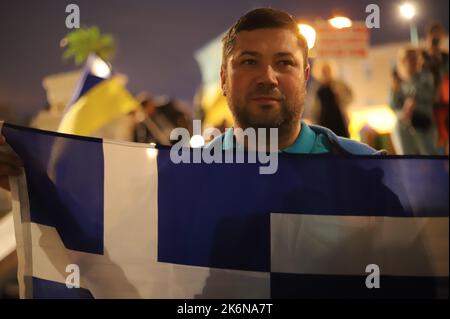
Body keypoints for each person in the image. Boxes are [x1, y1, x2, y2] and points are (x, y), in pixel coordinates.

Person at [208, 8, 381, 155]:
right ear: (224, 79)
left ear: (305, 77)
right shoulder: (190, 175)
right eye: (249, 62)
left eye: (284, 63)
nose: (268, 78)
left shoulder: (364, 169)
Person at [390, 47, 438, 155]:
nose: (413, 62)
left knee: (428, 154)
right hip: (405, 126)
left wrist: (411, 80)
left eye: (415, 58)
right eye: (409, 59)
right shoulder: (397, 83)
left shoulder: (425, 77)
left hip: (423, 123)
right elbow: (393, 105)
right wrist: (403, 112)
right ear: (402, 61)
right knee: (406, 156)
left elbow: (430, 96)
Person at [421, 23, 449, 151]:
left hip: (444, 102)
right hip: (428, 104)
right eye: (434, 37)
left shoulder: (445, 57)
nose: (436, 40)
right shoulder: (422, 57)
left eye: (439, 37)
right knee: (433, 141)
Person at [313, 62, 352, 138]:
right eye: (324, 71)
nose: (326, 73)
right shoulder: (318, 87)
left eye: (327, 71)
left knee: (342, 138)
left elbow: (349, 96)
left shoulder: (338, 84)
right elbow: (315, 107)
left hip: (338, 117)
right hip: (324, 118)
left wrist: (342, 101)